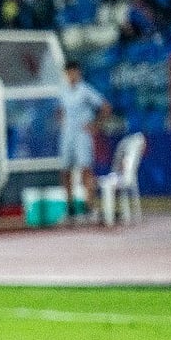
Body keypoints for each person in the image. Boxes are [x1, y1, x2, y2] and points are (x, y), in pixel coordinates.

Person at [57, 60, 110, 221]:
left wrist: (95, 124)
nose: (71, 75)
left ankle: (89, 206)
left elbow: (105, 107)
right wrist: (61, 120)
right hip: (67, 134)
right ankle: (70, 207)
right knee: (65, 170)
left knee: (86, 168)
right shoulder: (63, 91)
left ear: (78, 73)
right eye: (68, 72)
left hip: (82, 134)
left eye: (74, 72)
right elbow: (60, 110)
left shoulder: (85, 90)